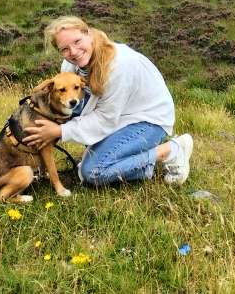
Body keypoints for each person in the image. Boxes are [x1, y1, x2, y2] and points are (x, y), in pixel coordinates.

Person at [23, 15, 193, 187]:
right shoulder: (70, 66)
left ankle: (171, 150)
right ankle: (133, 164)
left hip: (148, 121)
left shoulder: (119, 65)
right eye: (64, 49)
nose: (73, 52)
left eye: (77, 41)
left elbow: (106, 118)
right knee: (90, 160)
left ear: (88, 33)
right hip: (120, 117)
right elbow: (75, 105)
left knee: (93, 172)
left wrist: (60, 131)